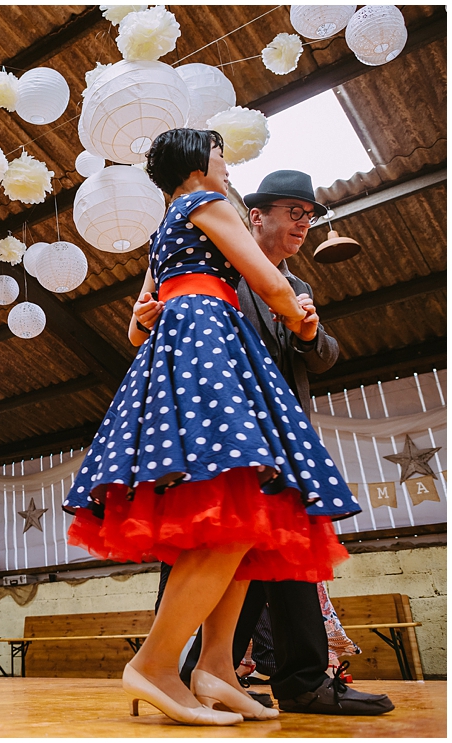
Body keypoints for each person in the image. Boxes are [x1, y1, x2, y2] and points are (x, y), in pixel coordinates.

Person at [64, 130, 361, 726]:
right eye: (222, 157)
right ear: (200, 165)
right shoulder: (207, 202)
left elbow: (133, 332)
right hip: (212, 340)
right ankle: (155, 664)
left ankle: (217, 668)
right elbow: (267, 280)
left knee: (241, 522)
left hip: (181, 345)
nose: (228, 168)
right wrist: (297, 312)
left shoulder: (163, 230)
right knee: (239, 509)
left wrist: (156, 315)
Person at [157, 171, 394, 716]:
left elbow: (325, 355)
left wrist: (310, 334)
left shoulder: (302, 288)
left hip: (285, 433)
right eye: (293, 211)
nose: (303, 224)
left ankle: (295, 679)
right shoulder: (219, 273)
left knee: (284, 556)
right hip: (229, 432)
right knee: (213, 551)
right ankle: (180, 670)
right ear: (255, 216)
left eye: (309, 216)